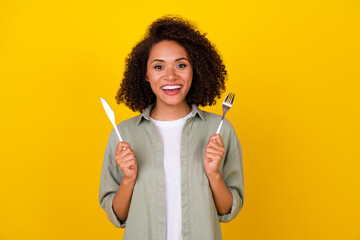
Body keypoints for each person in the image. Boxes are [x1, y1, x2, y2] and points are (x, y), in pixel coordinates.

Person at [99, 16, 244, 240]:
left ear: (195, 69)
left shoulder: (220, 129)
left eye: (181, 65)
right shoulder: (124, 134)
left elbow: (227, 211)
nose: (171, 76)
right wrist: (128, 180)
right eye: (158, 66)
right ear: (145, 75)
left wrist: (214, 174)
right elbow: (117, 216)